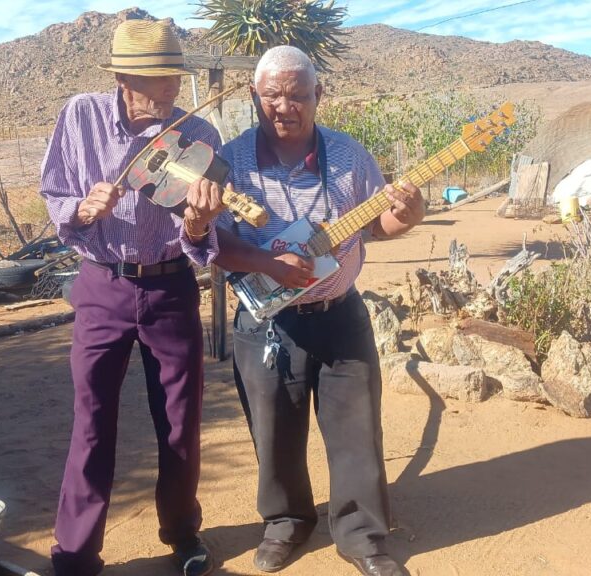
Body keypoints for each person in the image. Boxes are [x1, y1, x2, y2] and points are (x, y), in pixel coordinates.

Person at [213, 46, 425, 576]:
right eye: (272, 96)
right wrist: (267, 262)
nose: (285, 107)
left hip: (339, 314)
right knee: (274, 430)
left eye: (298, 96)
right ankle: (286, 522)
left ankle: (362, 536)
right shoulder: (228, 162)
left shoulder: (349, 156)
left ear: (318, 96)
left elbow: (378, 224)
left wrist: (409, 216)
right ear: (253, 96)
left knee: (356, 430)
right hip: (266, 323)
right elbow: (212, 243)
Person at [39, 18, 227, 576]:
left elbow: (203, 238)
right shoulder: (81, 116)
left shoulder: (198, 135)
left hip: (171, 289)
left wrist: (198, 223)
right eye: (159, 76)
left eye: (175, 75)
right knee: (92, 420)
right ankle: (75, 553)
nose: (172, 86)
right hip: (102, 285)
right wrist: (81, 208)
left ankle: (182, 533)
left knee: (180, 420)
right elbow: (54, 190)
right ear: (123, 78)